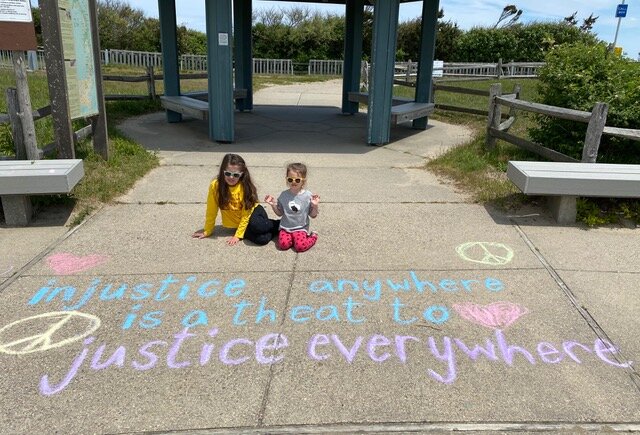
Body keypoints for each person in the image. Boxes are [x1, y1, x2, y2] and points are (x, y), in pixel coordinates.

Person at [192, 153, 278, 246]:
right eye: (228, 173)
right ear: (222, 171)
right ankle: (278, 230)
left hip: (253, 212)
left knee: (258, 227)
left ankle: (280, 224)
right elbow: (211, 210)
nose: (231, 177)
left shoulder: (245, 187)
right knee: (262, 240)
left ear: (242, 174)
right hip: (240, 222)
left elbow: (246, 214)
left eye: (236, 175)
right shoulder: (215, 186)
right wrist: (207, 230)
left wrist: (238, 235)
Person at [264, 162, 320, 252]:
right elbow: (280, 213)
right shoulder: (284, 195)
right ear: (286, 179)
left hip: (301, 228)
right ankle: (293, 239)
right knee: (283, 245)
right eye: (290, 179)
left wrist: (315, 205)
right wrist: (273, 204)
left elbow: (313, 215)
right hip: (285, 227)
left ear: (303, 180)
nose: (293, 182)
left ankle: (313, 236)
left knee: (300, 247)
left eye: (297, 180)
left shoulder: (308, 196)